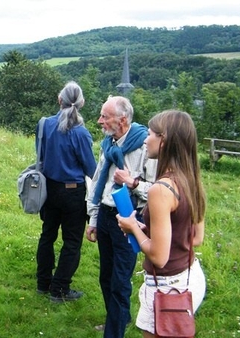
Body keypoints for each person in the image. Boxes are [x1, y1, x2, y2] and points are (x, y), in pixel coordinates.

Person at [117, 110, 206, 337]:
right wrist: (154, 232)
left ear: (163, 139)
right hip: (189, 277)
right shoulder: (190, 179)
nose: (146, 140)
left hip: (166, 288)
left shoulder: (161, 189)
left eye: (149, 134)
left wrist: (133, 227)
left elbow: (158, 256)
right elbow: (196, 237)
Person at [85, 95, 157, 337]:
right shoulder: (108, 145)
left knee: (119, 281)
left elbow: (158, 189)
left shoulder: (145, 146)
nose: (99, 121)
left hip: (130, 219)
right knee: (106, 276)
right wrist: (93, 219)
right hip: (105, 215)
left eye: (105, 116)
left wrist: (133, 183)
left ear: (122, 120)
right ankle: (120, 318)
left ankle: (113, 333)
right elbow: (98, 182)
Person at [35, 81, 97, 303]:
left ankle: (43, 283)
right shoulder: (80, 132)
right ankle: (60, 290)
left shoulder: (43, 125)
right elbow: (91, 169)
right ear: (81, 103)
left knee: (47, 235)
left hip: (48, 189)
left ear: (59, 99)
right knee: (71, 242)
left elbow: (39, 156)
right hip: (72, 192)